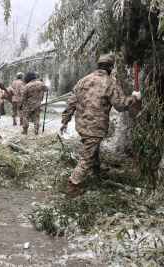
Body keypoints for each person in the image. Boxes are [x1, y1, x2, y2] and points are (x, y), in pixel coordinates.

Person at [59, 54, 142, 196]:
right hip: (95, 127)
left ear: (97, 65)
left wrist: (65, 121)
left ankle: (96, 168)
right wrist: (134, 97)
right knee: (87, 156)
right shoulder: (110, 83)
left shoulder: (83, 80)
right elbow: (121, 105)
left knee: (91, 147)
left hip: (81, 125)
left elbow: (71, 102)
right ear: (111, 67)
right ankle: (72, 186)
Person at [20, 72, 48, 136]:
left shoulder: (27, 86)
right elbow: (46, 89)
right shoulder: (40, 83)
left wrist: (20, 104)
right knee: (36, 118)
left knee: (26, 117)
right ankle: (36, 131)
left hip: (28, 105)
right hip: (37, 105)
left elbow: (23, 96)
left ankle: (25, 130)